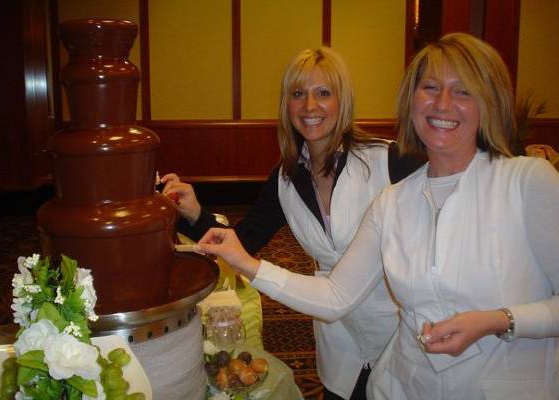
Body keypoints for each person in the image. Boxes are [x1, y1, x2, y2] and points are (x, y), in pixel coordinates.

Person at [197, 33, 559, 399]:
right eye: (430, 87)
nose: (443, 103)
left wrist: (499, 320)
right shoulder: (394, 201)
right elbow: (336, 295)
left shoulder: (527, 181)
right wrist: (244, 261)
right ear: (411, 100)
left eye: (463, 91)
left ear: (489, 101)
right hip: (402, 383)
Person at [160, 47, 423, 399]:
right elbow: (244, 241)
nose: (309, 106)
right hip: (339, 340)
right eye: (298, 94)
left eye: (323, 93)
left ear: (342, 101)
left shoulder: (388, 161)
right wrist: (194, 214)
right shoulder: (285, 179)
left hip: (400, 335)